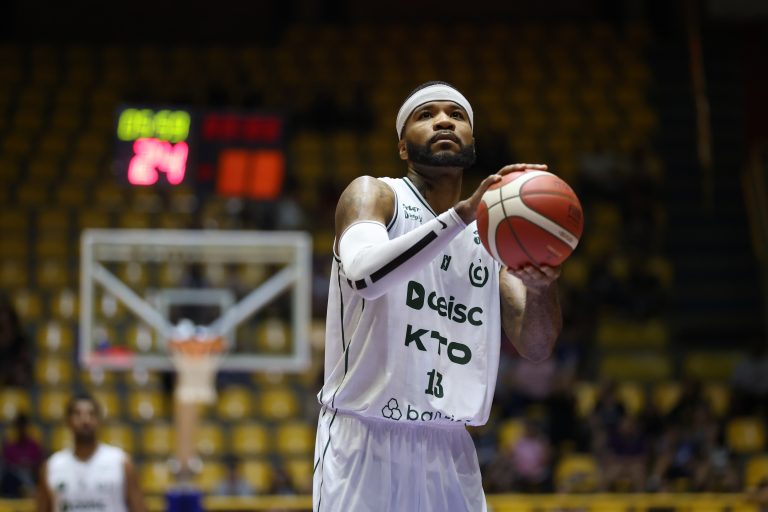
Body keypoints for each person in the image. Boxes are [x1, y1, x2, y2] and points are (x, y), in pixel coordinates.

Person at [313, 81, 562, 511]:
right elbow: (365, 275)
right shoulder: (374, 194)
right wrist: (461, 216)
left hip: (450, 448)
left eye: (456, 115)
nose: (443, 120)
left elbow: (536, 346)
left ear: (472, 142)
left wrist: (543, 288)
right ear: (402, 147)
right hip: (363, 439)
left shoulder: (491, 235)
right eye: (426, 115)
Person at [35, 393, 146, 512]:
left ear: (99, 421)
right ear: (68, 421)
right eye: (77, 414)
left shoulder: (121, 463)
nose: (85, 420)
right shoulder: (52, 466)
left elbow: (139, 508)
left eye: (91, 414)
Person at [1, 413, 44, 497]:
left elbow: (39, 464)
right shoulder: (10, 447)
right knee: (9, 477)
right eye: (19, 426)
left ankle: (29, 490)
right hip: (14, 480)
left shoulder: (34, 446)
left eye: (23, 426)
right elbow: (7, 466)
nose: (21, 429)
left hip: (30, 477)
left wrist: (28, 464)